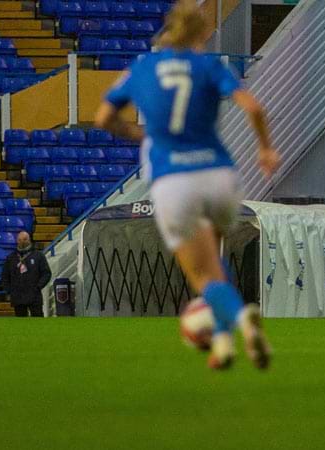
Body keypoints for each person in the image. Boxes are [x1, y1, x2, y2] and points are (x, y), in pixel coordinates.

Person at [94, 0, 278, 370]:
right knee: (214, 261)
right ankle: (223, 344)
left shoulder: (142, 67)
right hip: (219, 176)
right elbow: (254, 107)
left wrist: (139, 134)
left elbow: (103, 118)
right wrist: (265, 149)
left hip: (174, 180)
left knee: (201, 275)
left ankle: (243, 320)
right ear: (205, 32)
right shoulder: (210, 65)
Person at [1, 231, 50, 317]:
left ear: (29, 240)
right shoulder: (11, 258)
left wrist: (38, 286)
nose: (22, 242)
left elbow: (46, 273)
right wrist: (9, 290)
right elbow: (5, 276)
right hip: (17, 296)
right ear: (17, 241)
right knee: (20, 323)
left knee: (38, 321)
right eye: (20, 240)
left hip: (34, 295)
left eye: (24, 239)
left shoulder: (38, 256)